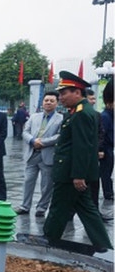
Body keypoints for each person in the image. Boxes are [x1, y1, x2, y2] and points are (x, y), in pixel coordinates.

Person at [43, 71, 112, 252]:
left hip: (70, 175)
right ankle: (106, 249)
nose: (61, 97)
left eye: (64, 93)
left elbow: (82, 147)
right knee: (88, 212)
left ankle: (47, 243)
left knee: (58, 210)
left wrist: (78, 175)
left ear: (77, 92)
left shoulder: (81, 114)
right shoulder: (78, 111)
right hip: (72, 173)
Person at [13, 91, 62, 217]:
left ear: (57, 103)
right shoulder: (34, 117)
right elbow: (25, 131)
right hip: (32, 153)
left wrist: (43, 142)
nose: (48, 103)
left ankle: (41, 208)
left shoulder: (61, 119)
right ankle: (25, 206)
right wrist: (32, 140)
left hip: (48, 155)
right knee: (28, 181)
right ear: (42, 102)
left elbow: (60, 136)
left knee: (46, 184)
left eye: (52, 101)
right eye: (46, 100)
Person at [99, 79, 114, 220]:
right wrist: (101, 149)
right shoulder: (105, 116)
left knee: (108, 172)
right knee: (105, 173)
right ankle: (108, 193)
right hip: (106, 150)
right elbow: (102, 135)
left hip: (110, 148)